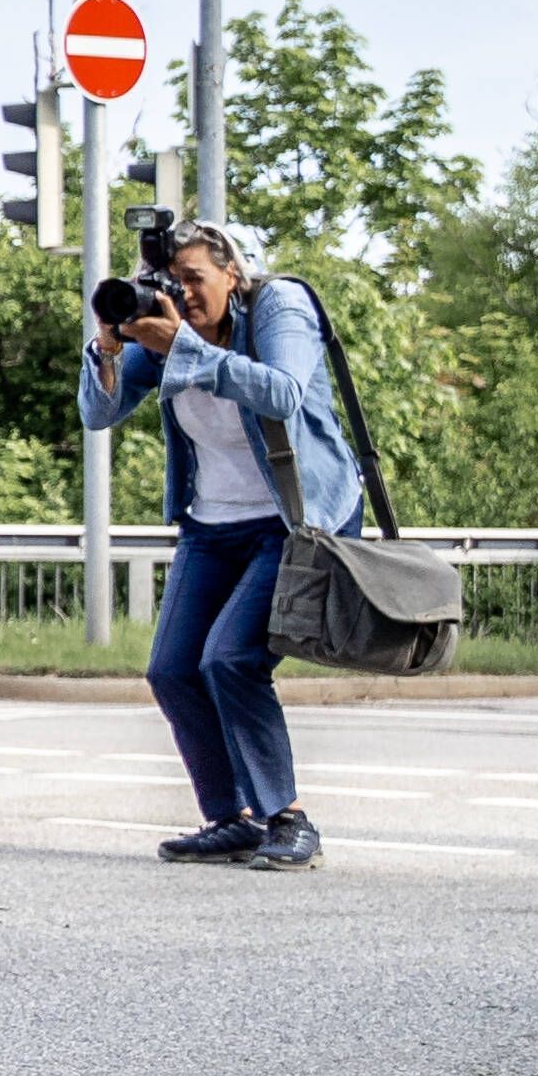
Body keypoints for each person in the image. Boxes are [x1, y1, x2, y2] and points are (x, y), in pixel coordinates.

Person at [83, 212, 357, 870]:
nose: (183, 294)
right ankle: (229, 818)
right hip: (212, 524)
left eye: (195, 278)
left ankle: (288, 818)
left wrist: (185, 348)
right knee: (173, 668)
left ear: (234, 274)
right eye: (172, 282)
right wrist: (110, 350)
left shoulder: (277, 307)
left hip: (294, 520)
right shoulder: (172, 331)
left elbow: (283, 393)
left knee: (231, 658)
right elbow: (99, 413)